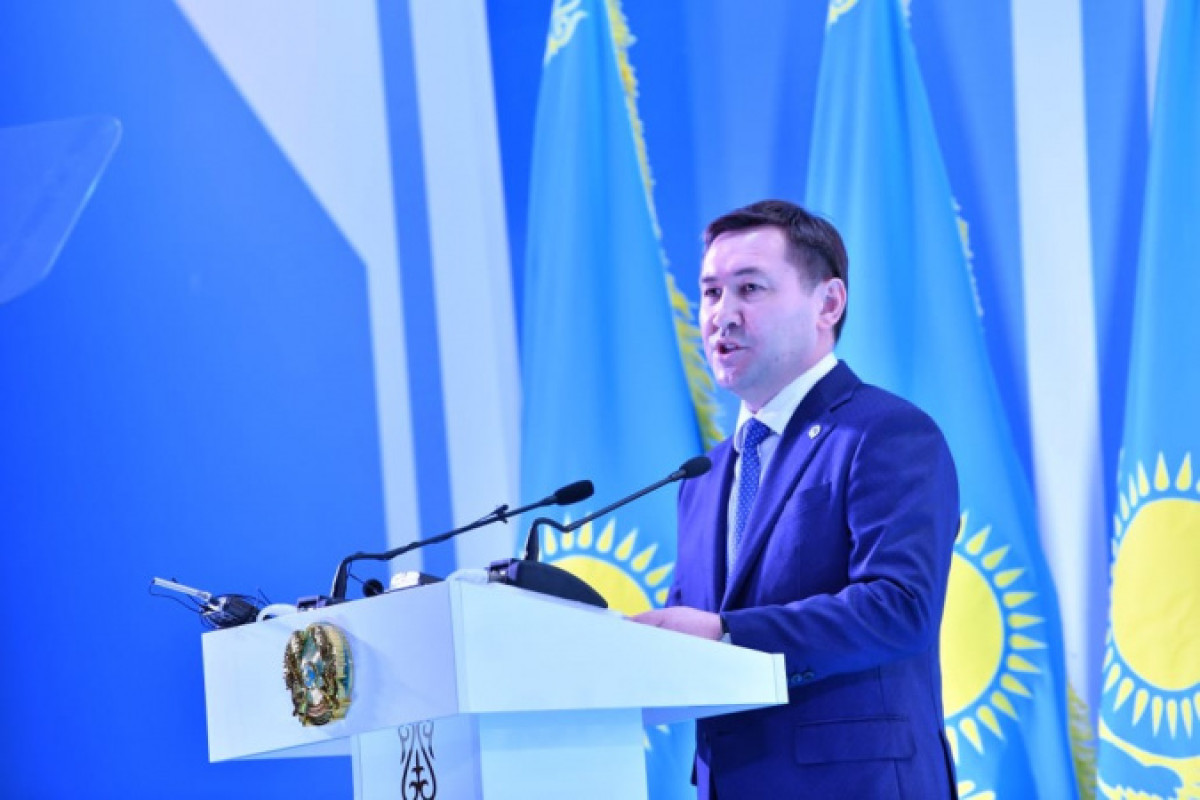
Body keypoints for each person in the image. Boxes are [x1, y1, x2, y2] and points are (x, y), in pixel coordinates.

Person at [632, 200, 959, 799]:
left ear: (827, 304)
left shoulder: (883, 433)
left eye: (749, 288)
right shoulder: (703, 477)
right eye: (710, 292)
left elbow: (900, 607)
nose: (722, 315)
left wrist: (726, 632)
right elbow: (693, 637)